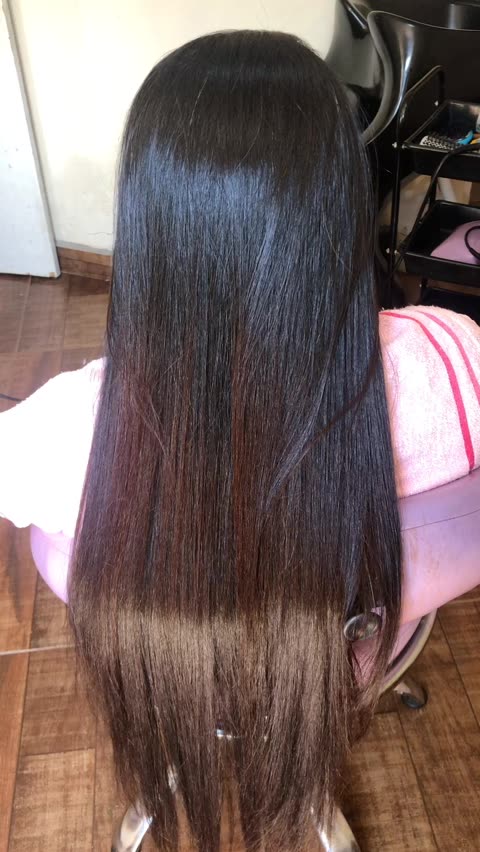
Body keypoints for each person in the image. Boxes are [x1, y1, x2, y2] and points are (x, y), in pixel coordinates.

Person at [1, 30, 479, 852]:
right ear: (340, 202)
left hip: (171, 670)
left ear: (150, 227)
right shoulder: (453, 359)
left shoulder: (59, 431)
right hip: (351, 658)